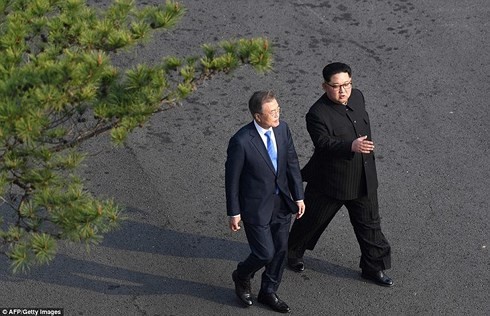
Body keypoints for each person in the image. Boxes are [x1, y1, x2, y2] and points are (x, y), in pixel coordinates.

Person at [287, 62, 393, 287]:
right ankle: (292, 253)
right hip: (331, 182)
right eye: (336, 86)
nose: (343, 90)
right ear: (324, 86)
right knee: (311, 221)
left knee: (370, 225)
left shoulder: (358, 97)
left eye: (347, 84)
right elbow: (323, 143)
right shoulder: (316, 114)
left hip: (363, 178)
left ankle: (373, 268)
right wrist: (350, 146)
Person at [225, 90, 305, 313]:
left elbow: (291, 163)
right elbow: (232, 180)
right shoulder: (241, 141)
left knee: (280, 251)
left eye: (278, 110)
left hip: (282, 204)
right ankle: (241, 274)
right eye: (272, 112)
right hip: (256, 208)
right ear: (257, 116)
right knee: (264, 253)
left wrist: (298, 196)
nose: (277, 115)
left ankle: (268, 291)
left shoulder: (282, 129)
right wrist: (234, 212)